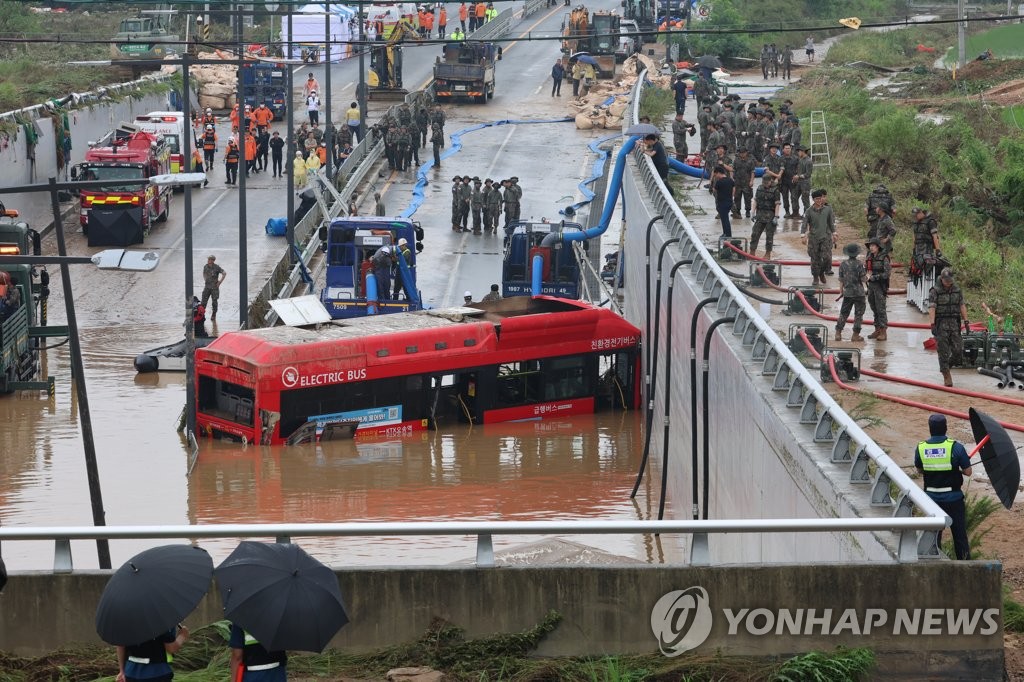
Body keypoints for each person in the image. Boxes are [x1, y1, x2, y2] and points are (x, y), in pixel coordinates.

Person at [914, 414, 973, 560]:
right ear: (945, 428)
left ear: (930, 429)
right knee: (959, 536)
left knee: (934, 535)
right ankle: (965, 564)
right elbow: (968, 472)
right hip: (954, 499)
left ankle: (935, 561)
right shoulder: (956, 447)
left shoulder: (921, 448)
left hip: (931, 499)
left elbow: (920, 469)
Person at [928, 267, 969, 387]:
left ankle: (947, 366)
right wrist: (932, 324)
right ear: (942, 279)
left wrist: (966, 321)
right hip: (941, 323)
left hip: (954, 323)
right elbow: (932, 308)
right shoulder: (935, 291)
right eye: (946, 280)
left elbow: (962, 305)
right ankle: (946, 373)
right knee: (943, 351)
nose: (948, 283)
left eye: (950, 280)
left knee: (958, 350)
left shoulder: (957, 289)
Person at [117, 624, 189, 682]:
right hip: (158, 672)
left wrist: (122, 671)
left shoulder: (125, 620)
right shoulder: (163, 618)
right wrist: (182, 636)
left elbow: (120, 646)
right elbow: (171, 648)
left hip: (130, 673)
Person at [799, 189, 836, 284]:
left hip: (825, 237)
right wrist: (803, 235)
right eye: (817, 199)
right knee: (815, 259)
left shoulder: (828, 209)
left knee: (827, 258)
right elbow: (804, 223)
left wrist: (834, 233)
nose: (819, 201)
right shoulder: (809, 211)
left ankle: (821, 273)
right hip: (814, 238)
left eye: (820, 198)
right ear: (813, 200)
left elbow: (831, 223)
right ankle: (815, 277)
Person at [835, 243, 866, 342]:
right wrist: (869, 276)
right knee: (858, 314)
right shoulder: (860, 264)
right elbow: (863, 279)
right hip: (859, 293)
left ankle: (838, 333)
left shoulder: (843, 264)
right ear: (857, 253)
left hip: (847, 293)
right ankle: (855, 335)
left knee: (843, 313)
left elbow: (841, 280)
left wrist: (841, 291)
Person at [864, 237, 891, 341]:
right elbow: (866, 269)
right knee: (874, 307)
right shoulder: (869, 257)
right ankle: (877, 329)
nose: (871, 248)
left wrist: (875, 277)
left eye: (873, 246)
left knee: (881, 309)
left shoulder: (884, 258)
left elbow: (887, 273)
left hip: (880, 285)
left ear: (878, 247)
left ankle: (883, 331)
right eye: (870, 246)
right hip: (871, 286)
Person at [750, 175, 780, 259]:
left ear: (771, 181)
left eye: (766, 183)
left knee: (769, 236)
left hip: (770, 215)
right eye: (763, 183)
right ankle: (752, 252)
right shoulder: (760, 188)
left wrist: (776, 217)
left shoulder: (775, 190)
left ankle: (767, 254)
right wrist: (752, 212)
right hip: (760, 214)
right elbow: (756, 200)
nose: (765, 184)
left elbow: (777, 204)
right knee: (755, 234)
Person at [731, 147, 755, 219]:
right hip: (737, 182)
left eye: (744, 153)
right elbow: (732, 170)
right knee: (737, 197)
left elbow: (753, 172)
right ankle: (738, 211)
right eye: (741, 153)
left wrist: (751, 181)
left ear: (746, 153)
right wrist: (732, 178)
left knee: (747, 197)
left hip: (747, 182)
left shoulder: (750, 161)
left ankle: (747, 211)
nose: (742, 154)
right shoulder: (736, 161)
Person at [712, 165, 735, 240]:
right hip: (729, 202)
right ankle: (725, 233)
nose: (716, 177)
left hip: (722, 203)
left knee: (725, 220)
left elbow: (715, 190)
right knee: (725, 219)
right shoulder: (730, 180)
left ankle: (728, 235)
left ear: (718, 173)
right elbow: (734, 190)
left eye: (716, 175)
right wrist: (730, 197)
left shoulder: (719, 182)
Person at [201, 255, 227, 322]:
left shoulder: (216, 267)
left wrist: (219, 282)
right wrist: (205, 279)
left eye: (210, 259)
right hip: (207, 287)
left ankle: (214, 314)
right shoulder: (205, 266)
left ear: (213, 260)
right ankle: (201, 315)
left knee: (214, 302)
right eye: (208, 259)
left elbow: (224, 273)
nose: (208, 260)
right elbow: (204, 273)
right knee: (203, 302)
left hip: (214, 288)